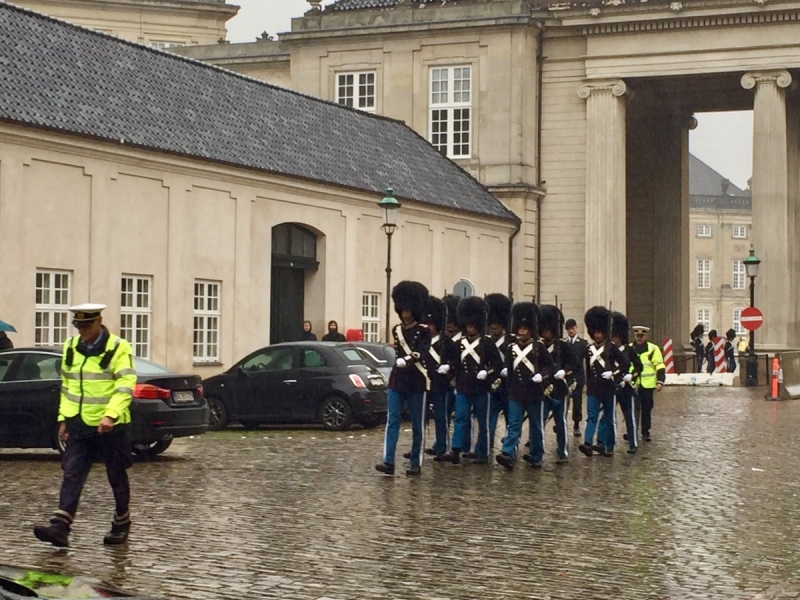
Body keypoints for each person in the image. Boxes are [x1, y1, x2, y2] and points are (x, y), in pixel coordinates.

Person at [33, 303, 137, 547]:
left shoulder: (118, 347)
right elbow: (67, 386)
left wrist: (110, 415)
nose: (82, 331)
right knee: (72, 472)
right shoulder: (71, 347)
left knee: (116, 475)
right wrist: (63, 419)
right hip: (79, 423)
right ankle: (60, 528)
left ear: (99, 321)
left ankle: (121, 522)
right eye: (78, 326)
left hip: (110, 426)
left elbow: (125, 385)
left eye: (86, 326)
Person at [375, 281, 431, 477]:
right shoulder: (396, 330)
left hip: (416, 381)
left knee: (417, 425)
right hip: (398, 380)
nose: (405, 312)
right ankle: (388, 461)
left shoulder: (424, 331)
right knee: (392, 421)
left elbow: (422, 352)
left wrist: (407, 360)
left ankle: (415, 462)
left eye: (408, 308)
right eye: (403, 308)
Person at [496, 302, 554, 470]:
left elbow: (550, 366)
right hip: (515, 392)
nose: (522, 331)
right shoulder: (511, 348)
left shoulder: (538, 347)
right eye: (520, 328)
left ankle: (536, 455)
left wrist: (542, 375)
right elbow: (508, 366)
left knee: (536, 426)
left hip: (534, 392)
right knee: (513, 425)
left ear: (530, 330)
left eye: (525, 329)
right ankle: (508, 453)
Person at [448, 296, 503, 465]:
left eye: (472, 324)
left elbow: (497, 364)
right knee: (460, 418)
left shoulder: (487, 343)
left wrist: (488, 372)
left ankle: (482, 452)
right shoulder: (459, 343)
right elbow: (455, 363)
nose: (470, 327)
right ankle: (456, 449)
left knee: (482, 421)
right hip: (463, 386)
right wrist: (450, 371)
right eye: (468, 324)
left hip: (481, 387)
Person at [579, 306, 630, 458]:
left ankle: (609, 446)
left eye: (600, 333)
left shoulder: (611, 348)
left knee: (609, 418)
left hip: (608, 388)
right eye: (595, 333)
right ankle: (588, 443)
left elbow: (625, 363)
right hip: (593, 388)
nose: (597, 335)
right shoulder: (589, 349)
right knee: (591, 417)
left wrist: (613, 373)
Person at [534, 305, 579, 465]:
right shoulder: (538, 346)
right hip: (543, 389)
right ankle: (536, 452)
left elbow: (575, 364)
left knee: (560, 422)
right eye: (543, 330)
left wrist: (564, 372)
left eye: (548, 330)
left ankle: (562, 452)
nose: (546, 333)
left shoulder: (563, 346)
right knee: (539, 422)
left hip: (559, 389)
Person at [421, 296, 457, 462]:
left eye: (431, 324)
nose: (429, 327)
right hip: (423, 383)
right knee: (421, 418)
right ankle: (418, 447)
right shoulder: (421, 340)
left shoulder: (445, 340)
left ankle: (442, 447)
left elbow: (455, 360)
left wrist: (448, 366)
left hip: (440, 384)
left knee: (441, 417)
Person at [604, 313, 642, 454]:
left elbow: (639, 367)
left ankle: (633, 444)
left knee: (629, 417)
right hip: (611, 387)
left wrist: (631, 376)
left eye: (615, 336)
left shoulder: (629, 350)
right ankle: (609, 446)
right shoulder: (607, 350)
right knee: (610, 418)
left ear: (620, 337)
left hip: (626, 388)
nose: (613, 339)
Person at [485, 293, 513, 451]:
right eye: (492, 325)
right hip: (491, 385)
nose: (494, 328)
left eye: (497, 325)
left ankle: (510, 449)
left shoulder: (511, 341)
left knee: (511, 420)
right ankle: (486, 446)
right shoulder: (486, 341)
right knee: (489, 419)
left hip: (509, 386)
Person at [630, 325, 665, 442]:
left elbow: (659, 366)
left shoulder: (653, 349)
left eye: (641, 336)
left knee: (646, 409)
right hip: (632, 384)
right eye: (637, 335)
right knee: (632, 409)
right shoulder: (629, 348)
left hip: (647, 385)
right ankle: (632, 431)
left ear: (646, 336)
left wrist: (660, 381)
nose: (639, 338)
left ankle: (645, 432)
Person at [564, 318, 587, 436]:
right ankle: (562, 423)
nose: (571, 331)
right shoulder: (563, 343)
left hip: (578, 377)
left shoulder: (583, 343)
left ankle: (576, 425)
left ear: (576, 328)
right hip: (566, 377)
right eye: (569, 329)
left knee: (577, 403)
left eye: (573, 328)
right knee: (564, 402)